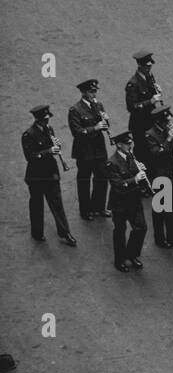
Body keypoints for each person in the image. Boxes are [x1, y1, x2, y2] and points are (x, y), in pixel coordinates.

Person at [22, 105, 76, 247]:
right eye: (44, 120)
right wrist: (49, 151)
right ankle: (37, 232)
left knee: (57, 204)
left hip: (51, 174)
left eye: (48, 119)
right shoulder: (29, 134)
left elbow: (51, 147)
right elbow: (30, 157)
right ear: (38, 120)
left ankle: (65, 232)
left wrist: (55, 147)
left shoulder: (49, 129)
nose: (47, 122)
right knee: (37, 205)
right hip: (36, 177)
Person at [141, 105, 173, 250]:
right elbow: (156, 154)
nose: (169, 123)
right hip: (158, 172)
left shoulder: (170, 130)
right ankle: (160, 238)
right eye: (166, 121)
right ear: (159, 122)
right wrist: (168, 139)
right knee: (160, 208)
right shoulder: (149, 134)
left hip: (172, 170)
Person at [104, 132, 150, 272]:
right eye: (127, 143)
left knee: (141, 227)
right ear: (119, 145)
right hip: (120, 203)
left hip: (134, 199)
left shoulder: (131, 156)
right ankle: (120, 260)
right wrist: (135, 179)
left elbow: (133, 171)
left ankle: (131, 254)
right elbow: (117, 184)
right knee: (120, 231)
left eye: (131, 143)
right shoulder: (112, 162)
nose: (130, 145)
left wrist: (140, 170)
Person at [67, 79, 111, 220]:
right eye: (91, 92)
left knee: (102, 178)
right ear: (84, 92)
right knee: (84, 181)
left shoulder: (99, 105)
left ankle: (98, 207)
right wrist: (95, 128)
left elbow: (105, 125)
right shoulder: (75, 110)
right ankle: (85, 210)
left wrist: (105, 121)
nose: (94, 94)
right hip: (84, 151)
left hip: (99, 149)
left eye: (95, 91)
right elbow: (77, 132)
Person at [123, 51, 161, 159]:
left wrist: (156, 91)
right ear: (140, 65)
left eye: (150, 65)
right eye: (147, 66)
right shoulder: (133, 84)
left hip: (151, 120)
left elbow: (150, 93)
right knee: (143, 151)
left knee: (154, 148)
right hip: (140, 124)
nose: (149, 68)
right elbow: (131, 107)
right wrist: (151, 101)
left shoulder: (149, 76)